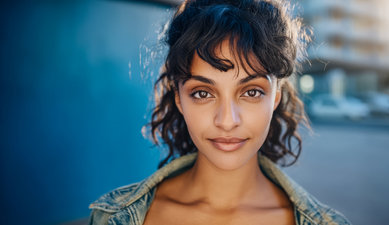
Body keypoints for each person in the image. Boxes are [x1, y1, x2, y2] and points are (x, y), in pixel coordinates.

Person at [88, 0, 351, 224]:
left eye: (251, 92)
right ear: (179, 98)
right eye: (203, 93)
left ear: (275, 98)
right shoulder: (112, 217)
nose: (227, 121)